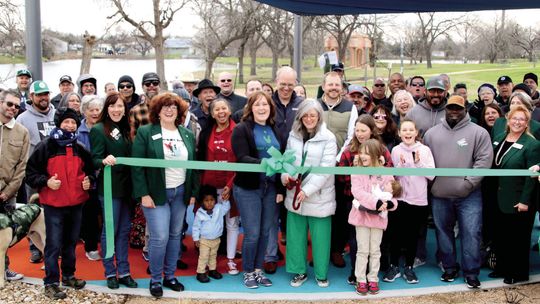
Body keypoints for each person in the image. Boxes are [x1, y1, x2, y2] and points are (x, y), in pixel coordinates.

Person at [131, 92, 197, 297]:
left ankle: (170, 276)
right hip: (156, 194)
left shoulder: (187, 134)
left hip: (180, 193)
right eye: (165, 107)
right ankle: (156, 279)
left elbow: (194, 166)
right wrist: (143, 193)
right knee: (159, 237)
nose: (169, 110)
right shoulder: (146, 132)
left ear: (179, 112)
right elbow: (138, 166)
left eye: (174, 107)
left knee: (176, 235)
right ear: (157, 111)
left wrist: (192, 192)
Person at [424, 95, 493, 289]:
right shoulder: (431, 134)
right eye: (451, 108)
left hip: (469, 195)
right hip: (439, 195)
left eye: (458, 108)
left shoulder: (479, 133)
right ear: (445, 109)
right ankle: (449, 268)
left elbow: (484, 160)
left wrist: (468, 184)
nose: (454, 111)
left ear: (465, 110)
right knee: (443, 233)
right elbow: (423, 161)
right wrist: (432, 185)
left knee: (471, 233)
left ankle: (471, 272)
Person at [25, 108, 94, 300]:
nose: (70, 126)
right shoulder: (45, 146)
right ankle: (51, 282)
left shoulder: (80, 148)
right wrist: (46, 182)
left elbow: (91, 172)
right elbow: (30, 173)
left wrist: (89, 180)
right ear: (59, 124)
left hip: (76, 204)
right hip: (53, 205)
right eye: (66, 122)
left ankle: (69, 276)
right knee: (53, 244)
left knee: (71, 244)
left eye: (73, 122)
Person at [280, 99, 337, 288]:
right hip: (294, 195)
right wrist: (285, 176)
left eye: (313, 115)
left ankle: (321, 274)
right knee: (295, 237)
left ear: (319, 116)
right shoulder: (293, 135)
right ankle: (299, 272)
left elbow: (326, 168)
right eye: (306, 115)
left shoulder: (328, 138)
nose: (309, 118)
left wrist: (307, 190)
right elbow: (287, 160)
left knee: (321, 238)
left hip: (319, 195)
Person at [231, 91, 283, 289]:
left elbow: (282, 159)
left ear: (271, 108)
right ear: (250, 108)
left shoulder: (275, 129)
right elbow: (242, 157)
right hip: (248, 188)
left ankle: (259, 270)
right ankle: (248, 271)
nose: (262, 108)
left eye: (265, 105)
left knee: (265, 232)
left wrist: (279, 188)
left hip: (270, 188)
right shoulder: (242, 129)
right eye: (257, 104)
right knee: (252, 233)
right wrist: (265, 162)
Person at [337, 114, 393, 284]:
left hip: (379, 203)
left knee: (376, 241)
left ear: (371, 131)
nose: (360, 134)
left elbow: (390, 173)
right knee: (357, 241)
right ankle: (357, 274)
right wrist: (359, 175)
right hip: (354, 201)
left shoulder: (381, 149)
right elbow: (341, 175)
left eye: (363, 130)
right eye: (357, 130)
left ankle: (374, 274)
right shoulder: (349, 151)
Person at [89, 93, 137, 290]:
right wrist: (103, 160)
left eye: (120, 106)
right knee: (110, 231)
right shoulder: (99, 130)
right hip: (110, 189)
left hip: (127, 189)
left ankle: (124, 271)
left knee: (124, 230)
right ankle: (110, 271)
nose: (116, 110)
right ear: (106, 108)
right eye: (112, 106)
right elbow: (94, 159)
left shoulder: (127, 129)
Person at [490, 105, 540, 284]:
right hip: (500, 197)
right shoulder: (499, 138)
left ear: (527, 123)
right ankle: (502, 267)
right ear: (508, 120)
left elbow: (532, 177)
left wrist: (524, 201)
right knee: (502, 235)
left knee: (517, 238)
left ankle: (517, 272)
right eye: (514, 118)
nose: (517, 122)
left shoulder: (532, 144)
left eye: (522, 119)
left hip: (519, 199)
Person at [384, 119, 435, 284]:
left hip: (418, 199)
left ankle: (409, 267)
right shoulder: (396, 150)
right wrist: (400, 166)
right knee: (395, 234)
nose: (407, 133)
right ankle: (394, 266)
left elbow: (431, 175)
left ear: (416, 133)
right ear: (399, 133)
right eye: (404, 130)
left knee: (413, 235)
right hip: (400, 199)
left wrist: (418, 163)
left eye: (410, 130)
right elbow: (392, 176)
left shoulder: (425, 150)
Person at [349, 139, 398, 295]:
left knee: (375, 250)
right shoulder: (356, 171)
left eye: (367, 153)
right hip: (361, 218)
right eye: (361, 152)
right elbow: (358, 192)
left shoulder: (386, 173)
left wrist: (389, 204)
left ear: (377, 155)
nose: (362, 156)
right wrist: (376, 202)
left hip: (378, 220)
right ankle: (361, 279)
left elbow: (393, 195)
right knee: (362, 250)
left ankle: (373, 278)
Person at [196, 98, 240, 276]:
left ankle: (230, 260)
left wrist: (231, 185)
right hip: (209, 186)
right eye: (217, 110)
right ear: (212, 113)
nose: (221, 112)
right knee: (206, 221)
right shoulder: (206, 132)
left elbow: (240, 160)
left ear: (229, 111)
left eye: (224, 108)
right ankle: (205, 258)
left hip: (231, 184)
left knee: (232, 223)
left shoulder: (238, 130)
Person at [16, 80, 56, 264]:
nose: (43, 98)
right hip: (34, 174)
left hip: (55, 173)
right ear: (31, 97)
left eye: (46, 94)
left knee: (54, 212)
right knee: (34, 212)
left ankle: (54, 247)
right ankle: (35, 248)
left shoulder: (57, 114)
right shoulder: (22, 119)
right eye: (39, 95)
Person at [0, 89, 30, 281]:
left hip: (7, 194)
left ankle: (4, 269)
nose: (13, 109)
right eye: (9, 104)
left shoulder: (22, 132)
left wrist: (8, 192)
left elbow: (22, 166)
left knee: (4, 236)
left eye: (17, 106)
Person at [77, 95, 104, 261]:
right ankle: (91, 246)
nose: (95, 113)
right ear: (84, 111)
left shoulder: (105, 128)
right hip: (85, 180)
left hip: (105, 178)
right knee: (90, 215)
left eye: (98, 110)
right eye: (91, 110)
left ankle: (108, 245)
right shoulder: (78, 132)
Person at [193, 185, 231, 283]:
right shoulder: (199, 213)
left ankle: (212, 270)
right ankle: (200, 272)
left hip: (216, 239)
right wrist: (196, 239)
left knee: (213, 256)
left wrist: (225, 200)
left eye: (212, 200)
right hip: (204, 240)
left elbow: (226, 208)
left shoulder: (219, 209)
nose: (210, 203)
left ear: (215, 200)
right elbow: (196, 227)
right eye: (206, 200)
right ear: (202, 201)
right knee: (204, 256)